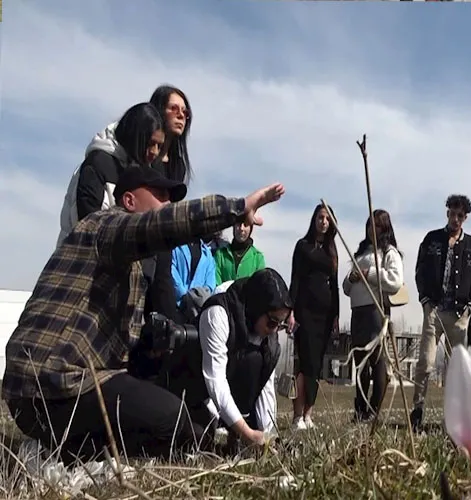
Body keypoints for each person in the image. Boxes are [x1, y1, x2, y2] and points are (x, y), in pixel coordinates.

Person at [2, 165, 284, 464]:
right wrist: (236, 209)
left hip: (44, 391)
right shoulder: (106, 224)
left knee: (191, 426)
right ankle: (68, 452)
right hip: (53, 385)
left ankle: (64, 448)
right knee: (174, 422)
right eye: (159, 194)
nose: (167, 204)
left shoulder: (130, 267)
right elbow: (163, 224)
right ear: (129, 200)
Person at [161, 268, 291, 451]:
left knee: (255, 359)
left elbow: (265, 384)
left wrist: (267, 436)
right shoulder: (218, 313)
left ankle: (234, 433)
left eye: (281, 324)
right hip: (197, 392)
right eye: (272, 322)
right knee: (195, 440)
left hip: (234, 396)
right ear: (257, 308)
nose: (275, 330)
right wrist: (247, 433)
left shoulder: (268, 331)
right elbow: (215, 381)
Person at [411, 194, 471, 431]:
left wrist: (470, 306)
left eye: (460, 216)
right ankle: (417, 409)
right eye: (452, 213)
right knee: (426, 361)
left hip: (459, 314)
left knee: (456, 369)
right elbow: (420, 270)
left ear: (466, 218)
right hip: (434, 310)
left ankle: (452, 418)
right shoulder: (432, 239)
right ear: (447, 213)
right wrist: (424, 301)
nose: (455, 219)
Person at [57, 102, 165, 245]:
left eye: (159, 146)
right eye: (151, 143)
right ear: (136, 136)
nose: (155, 152)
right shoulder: (97, 164)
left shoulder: (136, 168)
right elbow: (88, 225)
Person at [342, 209, 404, 422]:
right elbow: (346, 288)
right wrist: (351, 278)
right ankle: (359, 409)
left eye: (377, 226)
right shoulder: (361, 253)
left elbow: (395, 281)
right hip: (357, 311)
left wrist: (369, 274)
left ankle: (373, 410)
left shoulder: (389, 253)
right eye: (369, 225)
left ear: (385, 228)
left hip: (375, 311)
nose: (372, 230)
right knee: (360, 363)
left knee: (376, 361)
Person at [288, 204, 339, 430]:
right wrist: (290, 311)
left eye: (327, 218)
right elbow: (295, 279)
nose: (323, 222)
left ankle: (309, 415)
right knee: (304, 363)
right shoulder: (303, 246)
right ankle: (297, 415)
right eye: (320, 217)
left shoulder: (332, 250)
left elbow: (335, 286)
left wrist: (336, 314)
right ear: (314, 220)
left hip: (325, 315)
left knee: (317, 365)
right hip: (305, 311)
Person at [214, 217, 266, 285]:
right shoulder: (220, 255)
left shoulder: (258, 258)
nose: (241, 228)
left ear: (251, 229)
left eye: (245, 224)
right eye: (238, 224)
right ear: (233, 227)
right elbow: (216, 284)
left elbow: (260, 286)